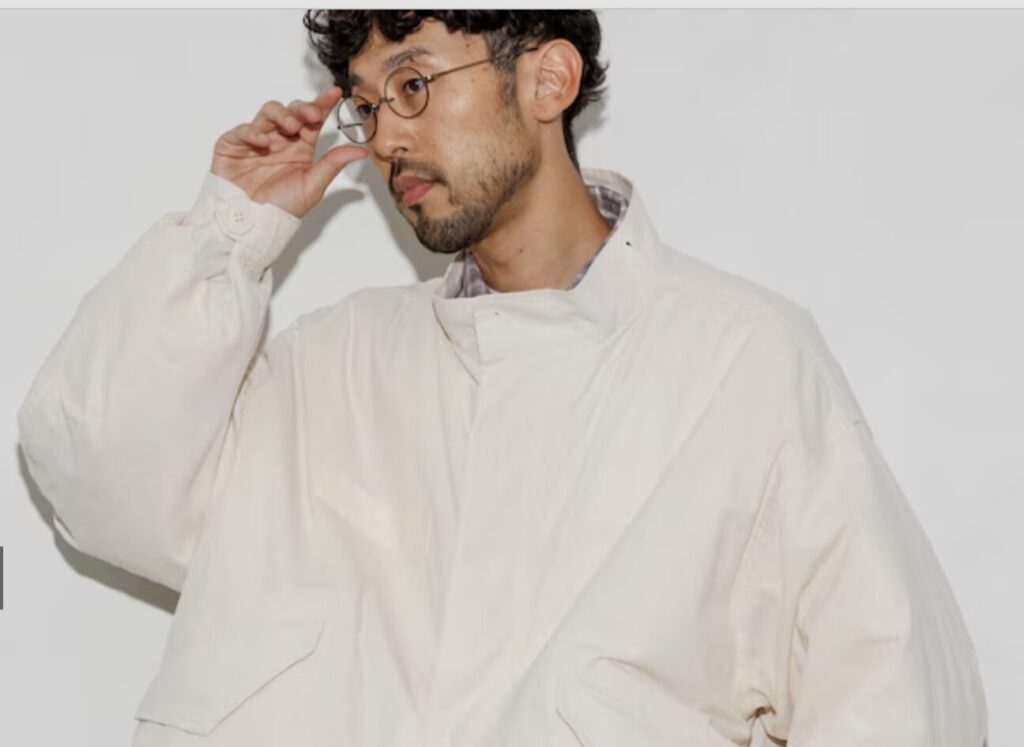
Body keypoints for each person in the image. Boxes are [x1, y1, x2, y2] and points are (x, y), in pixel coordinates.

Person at [17, 10, 988, 746]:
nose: (383, 139)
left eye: (412, 83)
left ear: (547, 78)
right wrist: (231, 228)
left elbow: (897, 701)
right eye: (366, 103)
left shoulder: (743, 365)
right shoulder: (328, 368)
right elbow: (98, 477)